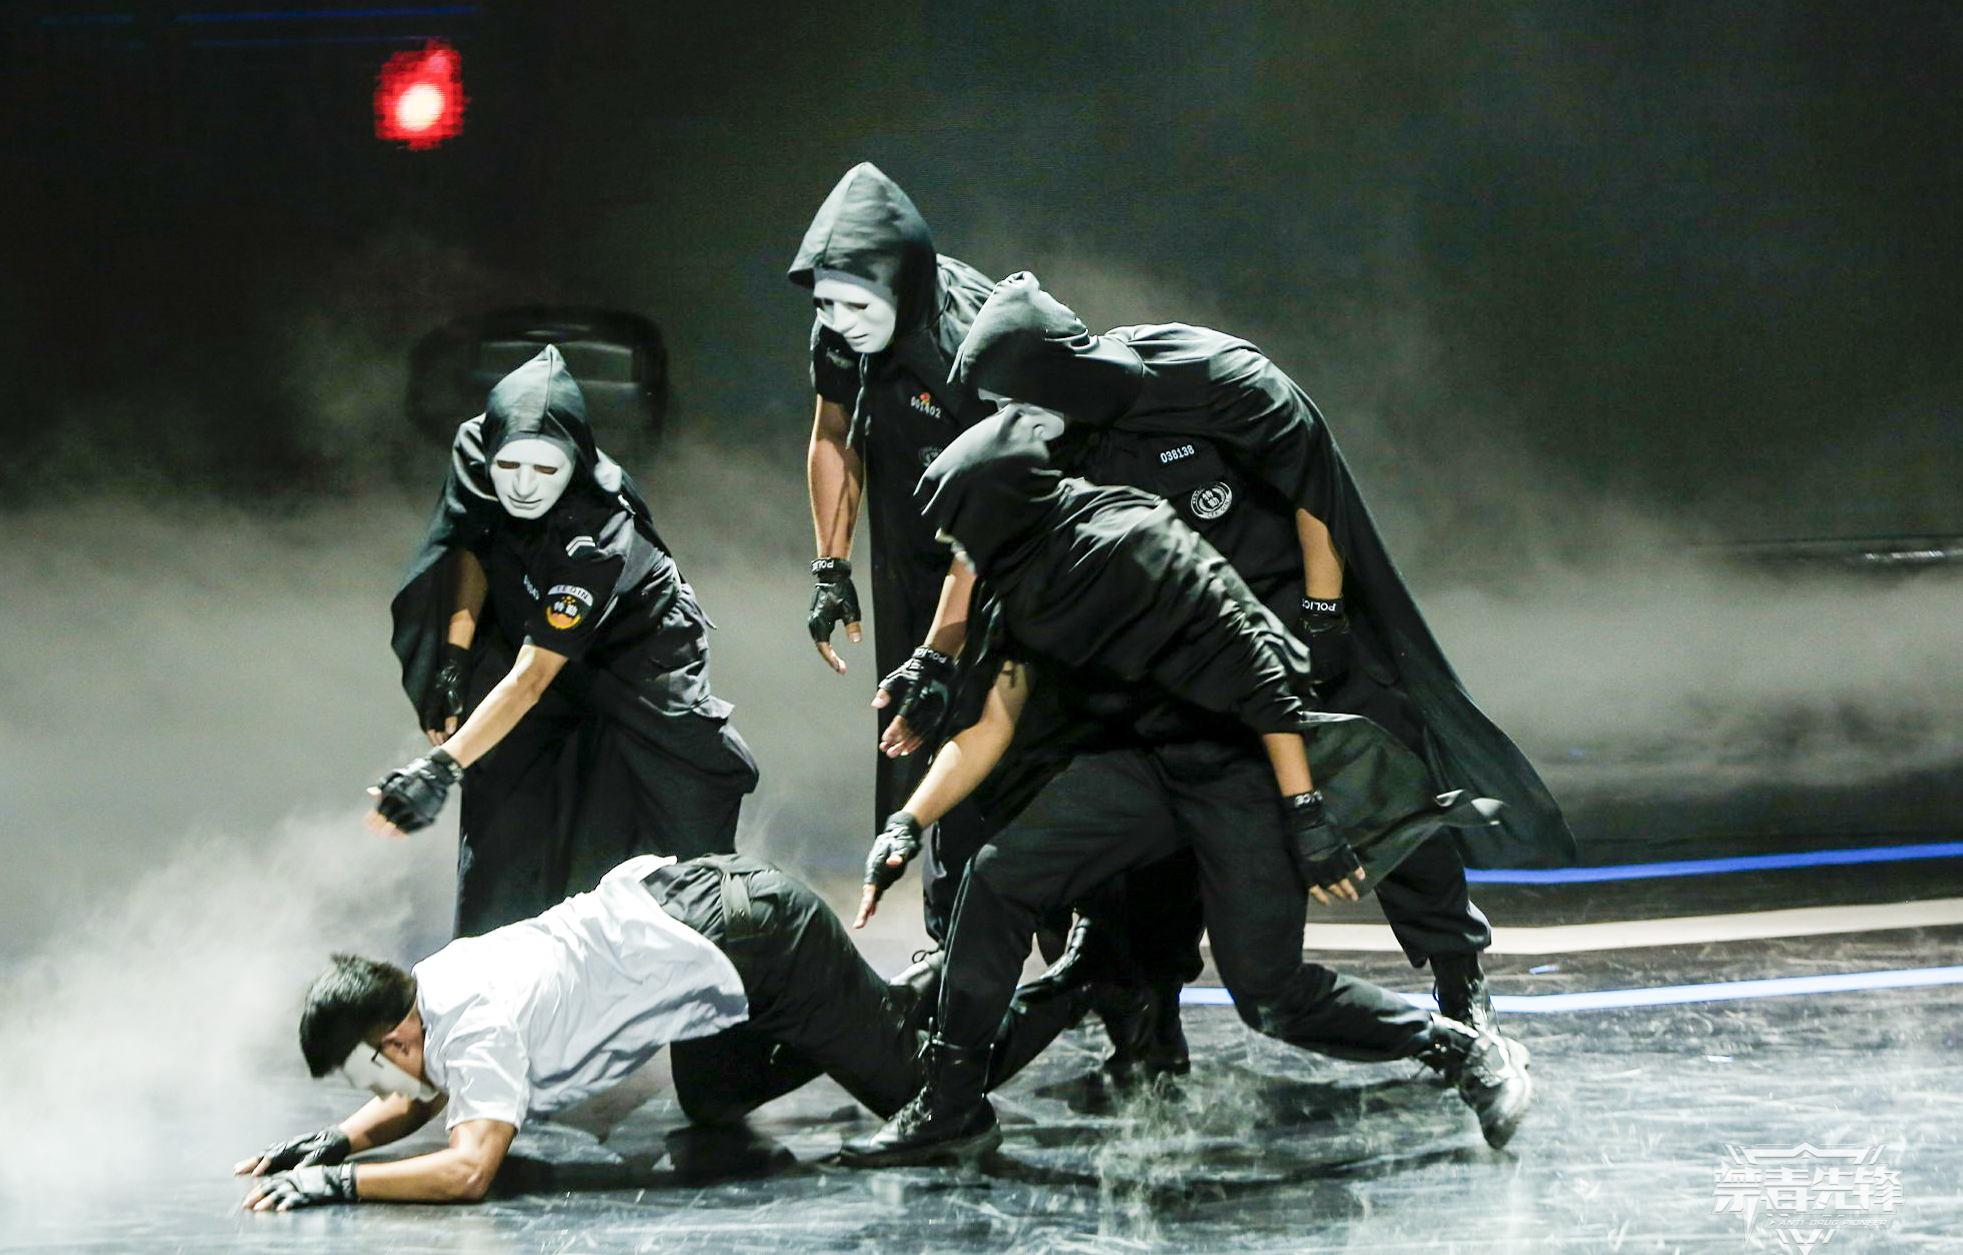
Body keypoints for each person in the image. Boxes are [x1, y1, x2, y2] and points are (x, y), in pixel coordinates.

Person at [837, 402, 1531, 1168]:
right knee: (999, 875)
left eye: (962, 529)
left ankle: (1459, 1049)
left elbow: (1264, 683)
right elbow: (993, 723)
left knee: (1268, 994)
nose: (954, 550)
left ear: (1003, 509)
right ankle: (950, 1104)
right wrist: (907, 822)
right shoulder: (1023, 573)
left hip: (1243, 765)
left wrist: (1305, 813)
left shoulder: (1132, 541)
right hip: (1151, 765)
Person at [938, 272, 1575, 1040]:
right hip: (1180, 655)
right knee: (1147, 818)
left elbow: (1316, 490)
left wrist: (1322, 616)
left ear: (1051, 374)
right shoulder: (1051, 444)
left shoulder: (1213, 377)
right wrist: (939, 656)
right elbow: (986, 545)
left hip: (1292, 612)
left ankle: (1456, 973)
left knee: (1385, 779)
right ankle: (1146, 1011)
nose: (1003, 421)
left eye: (1011, 401)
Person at [235, 852, 1090, 1211]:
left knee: (931, 1099)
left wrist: (341, 1183)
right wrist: (338, 1139)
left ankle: (1084, 972)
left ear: (392, 1038)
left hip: (760, 943)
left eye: (369, 1070)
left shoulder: (474, 1026)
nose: (378, 1087)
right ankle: (881, 1006)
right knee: (713, 1096)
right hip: (712, 939)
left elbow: (467, 1169)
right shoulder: (432, 984)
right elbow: (426, 1092)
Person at [380, 346, 759, 935]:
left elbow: (532, 679)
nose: (523, 486)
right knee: (500, 821)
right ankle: (501, 967)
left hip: (637, 659)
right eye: (510, 466)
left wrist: (438, 769)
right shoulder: (476, 451)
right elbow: (475, 538)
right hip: (530, 625)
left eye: (546, 470)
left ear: (574, 464)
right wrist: (454, 658)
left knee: (679, 842)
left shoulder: (597, 537)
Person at [786, 162, 1000, 932]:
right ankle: (951, 935)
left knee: (991, 726)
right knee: (919, 729)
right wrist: (830, 565)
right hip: (910, 545)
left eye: (856, 304)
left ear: (901, 284)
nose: (838, 321)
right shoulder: (841, 327)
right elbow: (832, 430)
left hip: (1000, 552)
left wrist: (943, 645)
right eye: (825, 303)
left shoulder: (974, 340)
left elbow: (999, 503)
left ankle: (1055, 934)